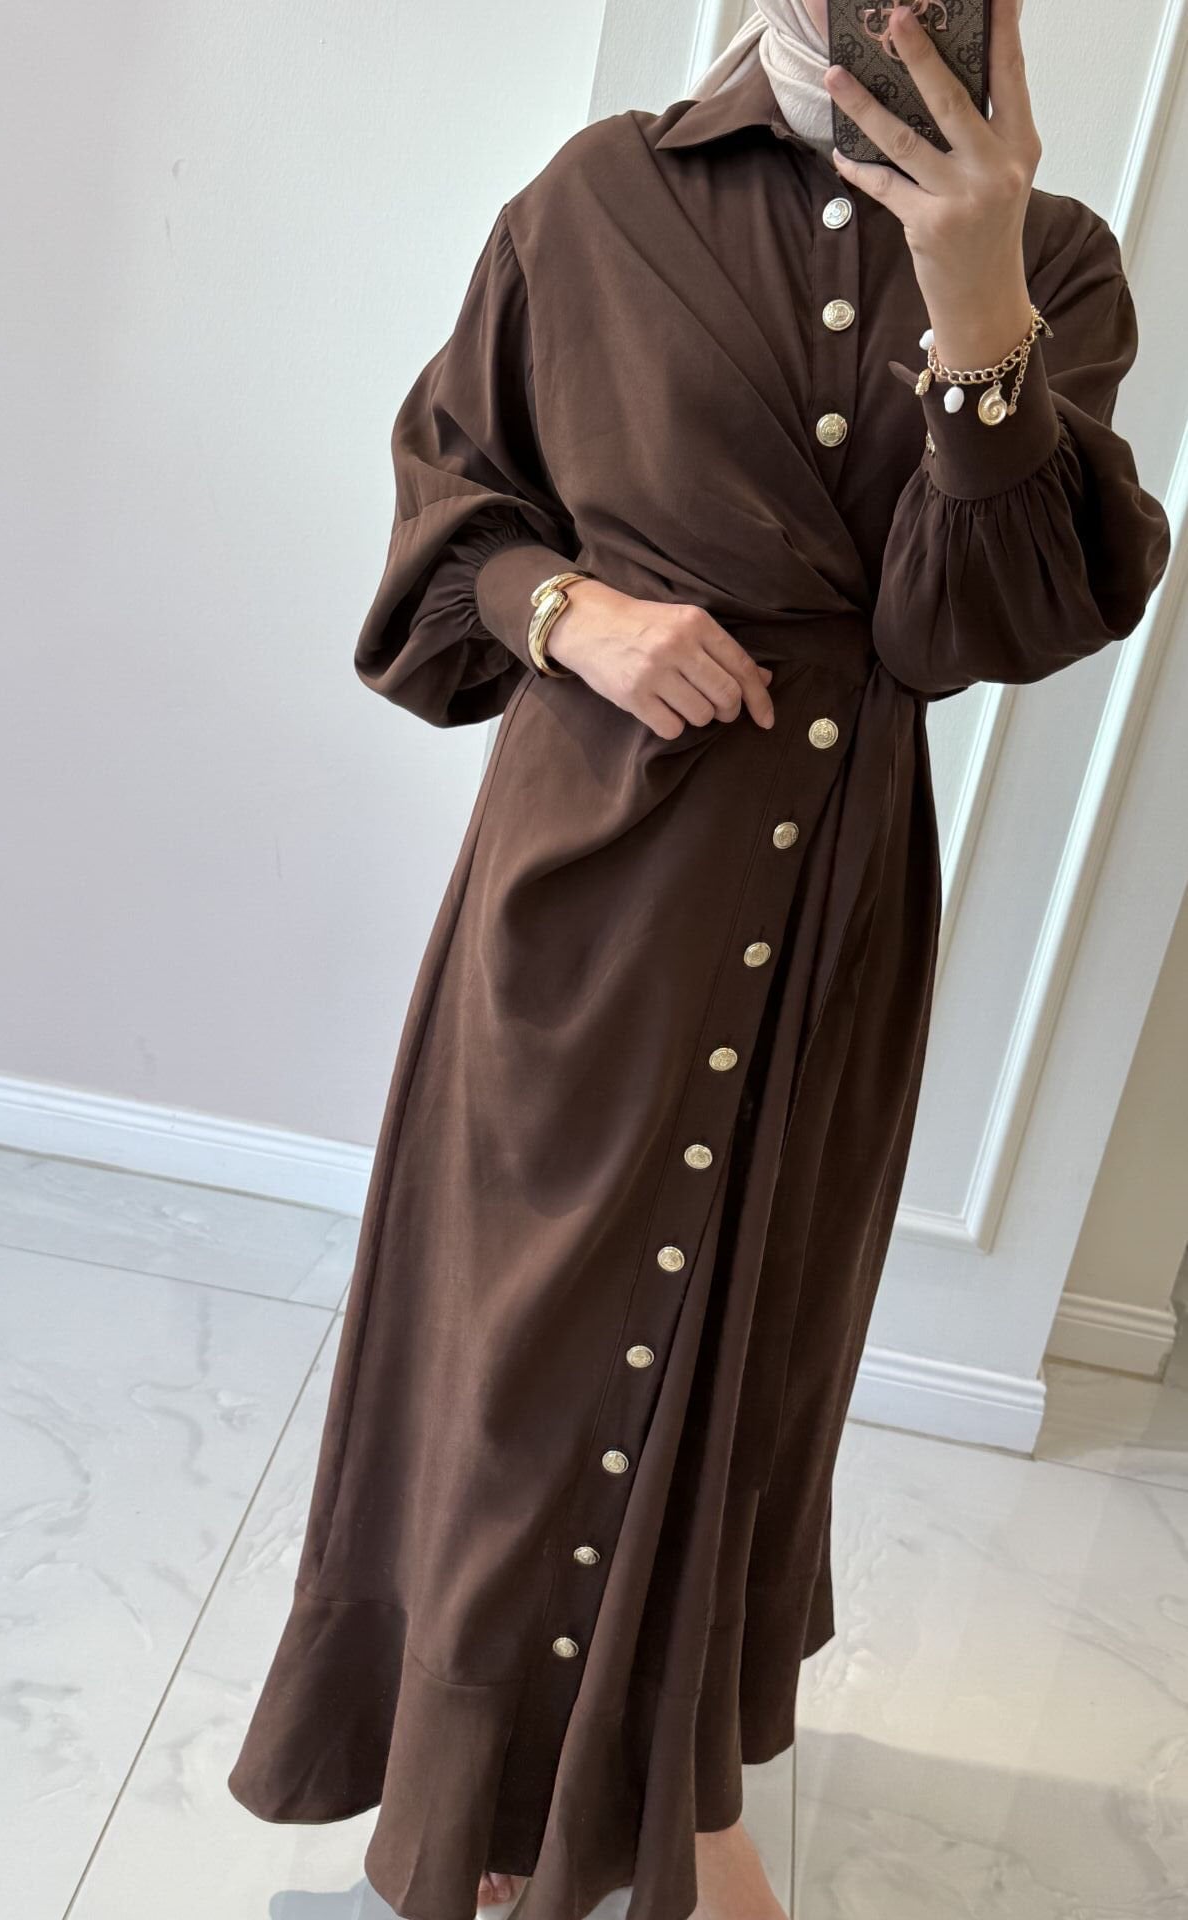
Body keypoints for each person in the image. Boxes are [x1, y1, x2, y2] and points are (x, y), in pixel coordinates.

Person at [228, 6, 1171, 1920]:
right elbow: (449, 514)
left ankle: (671, 1787)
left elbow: (966, 629)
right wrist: (569, 613)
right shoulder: (594, 201)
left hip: (829, 905)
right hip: (581, 893)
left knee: (748, 1357)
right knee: (513, 1360)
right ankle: (470, 1806)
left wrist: (973, 305)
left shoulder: (1051, 260)